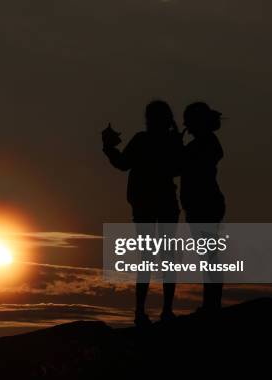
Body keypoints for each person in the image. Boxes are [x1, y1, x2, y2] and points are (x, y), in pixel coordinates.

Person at [102, 100, 182, 326]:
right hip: (162, 202)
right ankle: (163, 311)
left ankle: (142, 312)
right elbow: (178, 168)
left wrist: (108, 147)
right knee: (165, 258)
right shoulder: (166, 141)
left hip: (146, 203)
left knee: (148, 258)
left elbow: (122, 163)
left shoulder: (142, 140)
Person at [181, 102, 226, 311]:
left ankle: (212, 304)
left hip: (204, 203)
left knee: (209, 256)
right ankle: (211, 302)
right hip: (205, 203)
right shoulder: (206, 143)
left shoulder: (203, 145)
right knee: (208, 255)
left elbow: (183, 164)